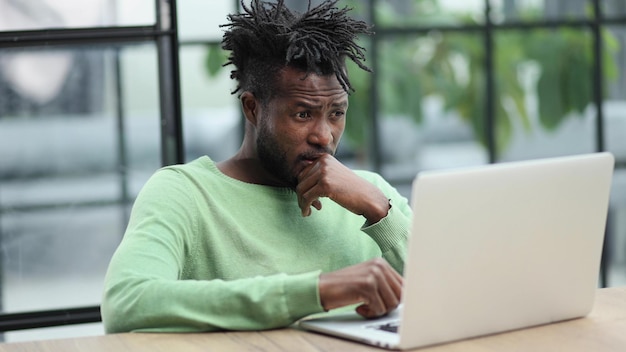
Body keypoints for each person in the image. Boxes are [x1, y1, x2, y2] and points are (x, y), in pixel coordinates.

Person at [101, 0, 412, 333]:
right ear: (252, 108)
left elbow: (456, 291)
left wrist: (381, 210)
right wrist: (317, 291)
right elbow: (127, 302)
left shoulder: (372, 195)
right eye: (303, 114)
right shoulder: (185, 193)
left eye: (336, 113)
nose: (324, 136)